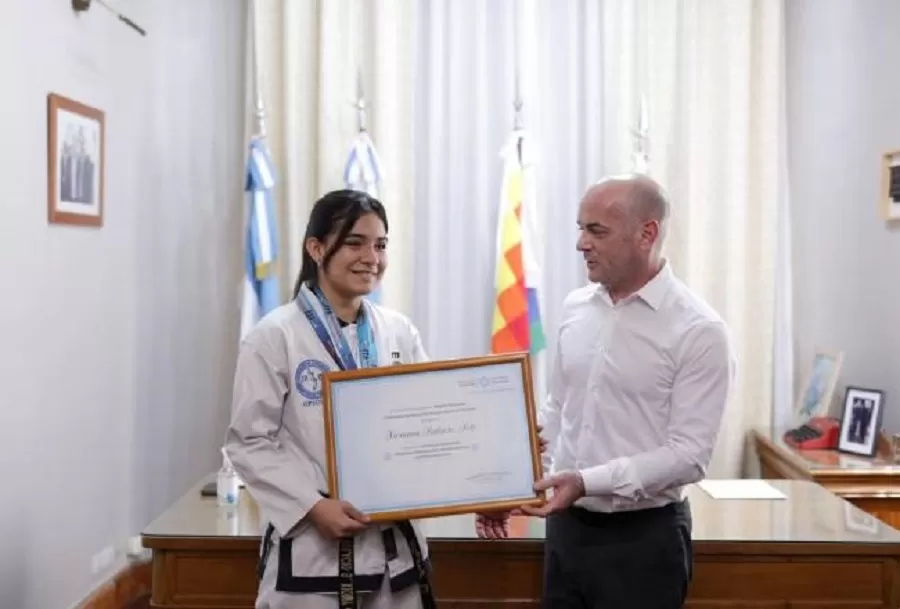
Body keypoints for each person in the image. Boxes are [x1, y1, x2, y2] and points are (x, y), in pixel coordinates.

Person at [478, 174, 735, 609]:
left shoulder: (700, 331)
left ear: (646, 233)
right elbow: (558, 410)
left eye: (596, 231)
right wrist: (513, 485)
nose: (581, 243)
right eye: (580, 228)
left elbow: (689, 454)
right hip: (566, 533)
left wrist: (586, 482)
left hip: (643, 543)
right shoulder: (576, 308)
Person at [224, 189, 435, 609]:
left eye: (380, 245)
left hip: (395, 556)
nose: (371, 257)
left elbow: (428, 420)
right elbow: (248, 441)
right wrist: (313, 506)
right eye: (355, 243)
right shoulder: (275, 336)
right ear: (316, 248)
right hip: (312, 557)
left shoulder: (398, 332)